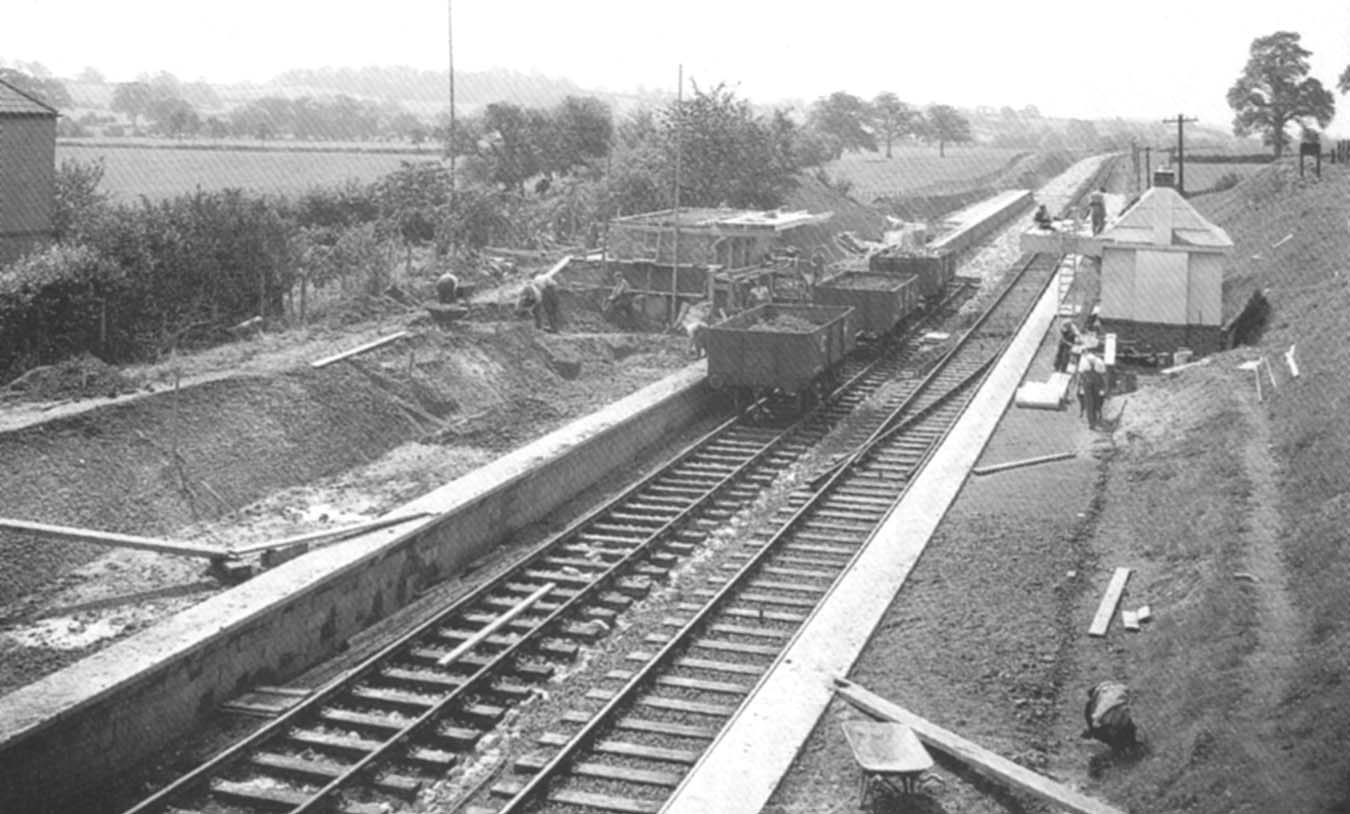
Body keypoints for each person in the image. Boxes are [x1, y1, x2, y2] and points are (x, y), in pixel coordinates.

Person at [1082, 681, 1138, 751]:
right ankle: (1132, 744)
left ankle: (1119, 748)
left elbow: (1093, 725)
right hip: (1123, 714)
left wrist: (1091, 731)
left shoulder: (1091, 705)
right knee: (1126, 723)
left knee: (1100, 732)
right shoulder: (1114, 689)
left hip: (1109, 723)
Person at [1078, 350, 1108, 428]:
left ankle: (1093, 419)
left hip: (1092, 384)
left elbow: (1081, 375)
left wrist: (1104, 387)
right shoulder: (1097, 362)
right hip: (1092, 384)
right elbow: (1104, 376)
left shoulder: (1085, 361)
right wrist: (1106, 386)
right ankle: (1094, 419)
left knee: (1092, 401)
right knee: (1093, 401)